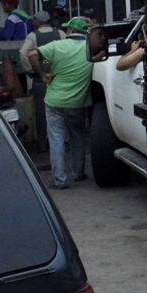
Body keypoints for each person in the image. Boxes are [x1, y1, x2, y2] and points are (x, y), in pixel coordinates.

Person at [28, 17, 103, 189]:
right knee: (77, 136)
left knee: (56, 140)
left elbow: (33, 55)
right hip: (78, 102)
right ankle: (78, 173)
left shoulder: (57, 46)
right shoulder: (89, 49)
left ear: (69, 31)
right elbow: (100, 55)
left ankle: (60, 180)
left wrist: (42, 74)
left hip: (54, 101)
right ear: (85, 32)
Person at [19, 12, 64, 150]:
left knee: (41, 111)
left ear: (39, 21)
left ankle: (43, 143)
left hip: (40, 78)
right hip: (59, 77)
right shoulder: (61, 34)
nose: (33, 22)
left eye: (34, 20)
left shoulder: (33, 36)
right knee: (62, 110)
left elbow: (22, 53)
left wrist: (31, 69)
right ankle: (63, 142)